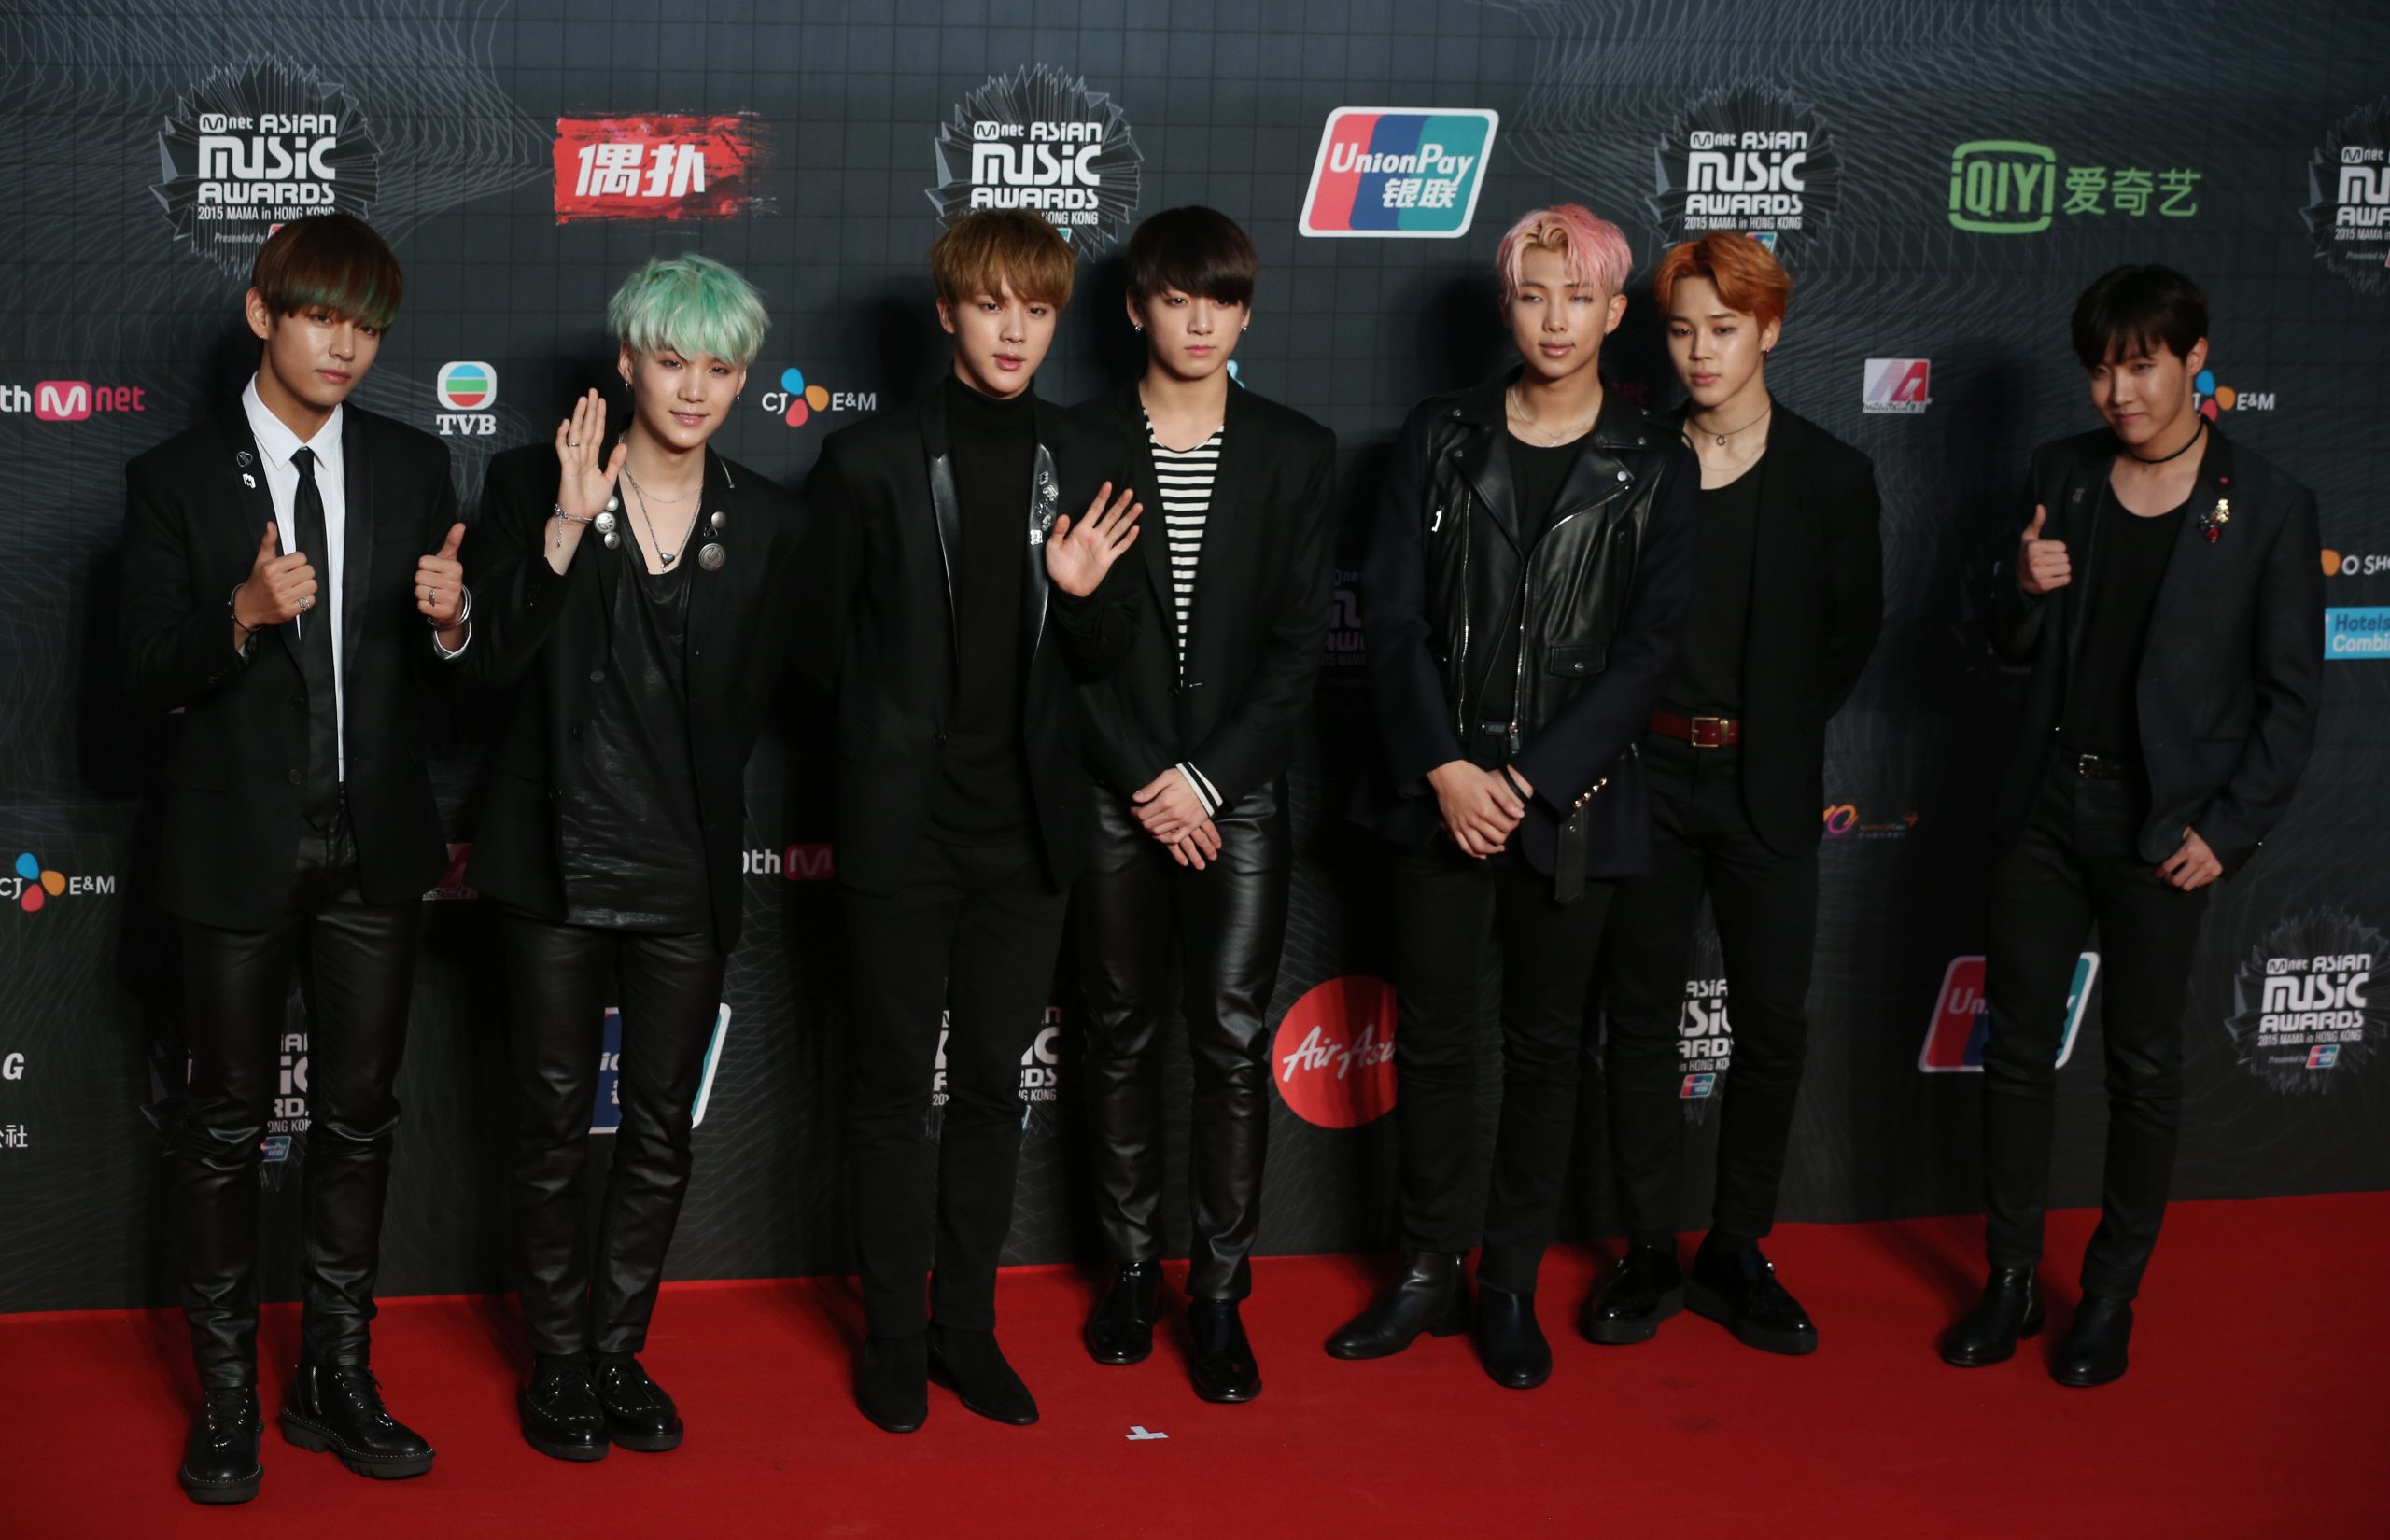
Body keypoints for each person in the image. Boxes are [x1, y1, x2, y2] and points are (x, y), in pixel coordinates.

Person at [121, 212, 469, 1503]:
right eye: (322, 316)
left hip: (374, 852)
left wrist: (455, 624)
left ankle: (335, 1374)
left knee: (358, 1121)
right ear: (264, 314)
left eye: (366, 325)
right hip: (235, 852)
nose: (345, 346)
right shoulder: (172, 480)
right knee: (221, 1129)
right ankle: (226, 1398)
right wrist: (239, 613)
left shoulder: (414, 463)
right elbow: (134, 675)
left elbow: (456, 681)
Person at [1942, 264, 2322, 1386]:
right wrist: (2022, 588)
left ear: (2194, 360)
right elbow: (2002, 646)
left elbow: (2291, 700)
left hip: (2165, 828)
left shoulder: (2267, 505)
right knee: (2017, 1053)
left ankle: (2109, 1296)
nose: (2120, 392)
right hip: (2044, 807)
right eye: (2102, 371)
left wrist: (2230, 830)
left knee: (2143, 1067)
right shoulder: (2059, 474)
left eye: (2142, 365)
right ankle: (2010, 1279)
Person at [1338, 204, 1696, 1389]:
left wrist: (1530, 781)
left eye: (1577, 298)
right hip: (1434, 794)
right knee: (1437, 1042)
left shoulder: (1655, 462)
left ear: (1612, 312)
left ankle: (1508, 1284)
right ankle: (1426, 1268)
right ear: (1507, 306)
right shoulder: (1438, 434)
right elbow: (1390, 615)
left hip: (1572, 810)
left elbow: (1648, 653)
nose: (1554, 319)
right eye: (1534, 295)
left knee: (1545, 1052)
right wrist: (1445, 768)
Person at [801, 209, 1144, 1433]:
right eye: (992, 305)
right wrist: (891, 748)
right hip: (903, 834)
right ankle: (895, 1335)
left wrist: (1081, 597)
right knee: (893, 1091)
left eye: (1037, 309)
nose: (1014, 331)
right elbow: (812, 654)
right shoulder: (869, 460)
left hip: (1028, 837)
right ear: (947, 310)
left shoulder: (1089, 454)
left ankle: (967, 1329)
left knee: (994, 1090)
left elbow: (1109, 656)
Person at [457, 253, 805, 1459]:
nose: (693, 387)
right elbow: (485, 667)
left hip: (683, 871)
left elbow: (796, 690)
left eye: (718, 366)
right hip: (554, 861)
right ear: (627, 363)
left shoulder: (772, 522)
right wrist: (563, 528)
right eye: (670, 360)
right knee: (551, 1124)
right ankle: (556, 1360)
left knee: (660, 1129)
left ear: (743, 379)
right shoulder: (528, 483)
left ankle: (616, 1351)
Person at [1582, 232, 1881, 1356]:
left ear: (1769, 329)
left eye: (1723, 328)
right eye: (1680, 330)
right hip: (1644, 778)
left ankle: (1738, 1247)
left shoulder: (1831, 475)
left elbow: (1848, 638)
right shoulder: (1631, 460)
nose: (1700, 352)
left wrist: (1771, 733)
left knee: (1770, 1025)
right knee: (1637, 1020)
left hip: (1765, 780)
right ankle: (1646, 1247)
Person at [1067, 207, 1337, 1403]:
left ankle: (1218, 1294)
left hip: (1240, 798)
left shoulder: (1294, 450)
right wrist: (1145, 780)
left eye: (1219, 301)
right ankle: (1130, 1270)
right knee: (1119, 1033)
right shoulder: (1075, 441)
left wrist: (1208, 782)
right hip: (1112, 788)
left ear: (1245, 314)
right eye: (1175, 300)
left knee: (1228, 1042)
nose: (1197, 323)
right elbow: (1060, 642)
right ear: (1136, 308)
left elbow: (1296, 650)